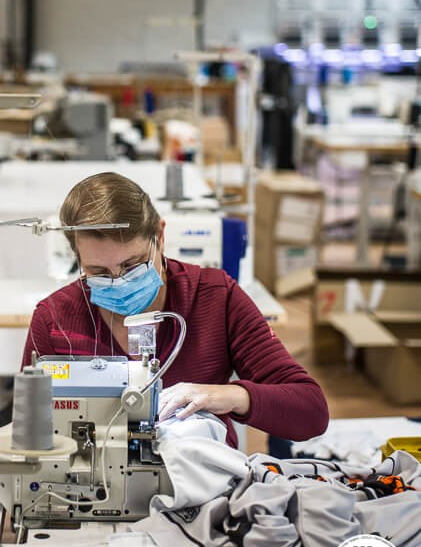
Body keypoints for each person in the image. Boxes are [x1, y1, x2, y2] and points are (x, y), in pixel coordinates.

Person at [21, 171, 329, 450]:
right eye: (99, 271)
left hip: (203, 491)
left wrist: (228, 396)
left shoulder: (214, 297)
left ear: (161, 235)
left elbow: (311, 412)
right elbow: (27, 432)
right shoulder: (54, 319)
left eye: (132, 265)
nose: (119, 282)